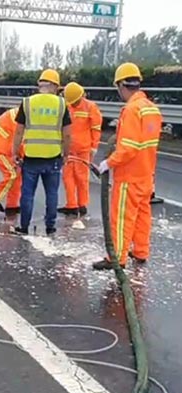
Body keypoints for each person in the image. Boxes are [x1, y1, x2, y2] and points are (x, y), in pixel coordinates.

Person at [93, 63, 162, 270]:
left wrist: (108, 163)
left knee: (122, 217)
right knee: (143, 215)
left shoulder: (131, 110)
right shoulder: (151, 108)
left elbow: (129, 148)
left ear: (121, 86)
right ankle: (140, 252)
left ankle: (117, 258)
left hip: (129, 177)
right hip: (146, 174)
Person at [12, 69, 71, 235]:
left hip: (31, 157)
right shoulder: (61, 104)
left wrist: (15, 152)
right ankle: (50, 226)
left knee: (27, 193)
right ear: (54, 86)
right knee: (52, 193)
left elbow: (18, 131)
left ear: (41, 84)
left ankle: (24, 226)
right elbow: (67, 133)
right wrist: (66, 154)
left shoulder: (27, 103)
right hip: (53, 156)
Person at [58, 82, 102, 216]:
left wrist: (94, 146)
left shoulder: (90, 107)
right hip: (68, 149)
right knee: (67, 177)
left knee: (81, 178)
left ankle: (82, 205)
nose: (75, 104)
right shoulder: (66, 106)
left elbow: (96, 128)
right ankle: (72, 205)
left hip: (83, 149)